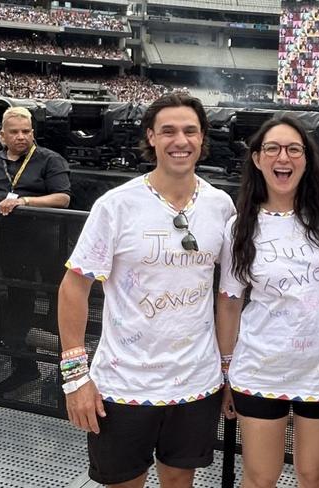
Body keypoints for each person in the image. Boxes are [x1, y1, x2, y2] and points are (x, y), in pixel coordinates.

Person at [57, 93, 235, 487]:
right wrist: (75, 377)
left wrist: (227, 370)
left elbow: (230, 295)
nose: (180, 140)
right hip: (124, 384)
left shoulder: (220, 206)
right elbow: (74, 286)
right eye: (168, 131)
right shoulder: (116, 205)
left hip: (196, 382)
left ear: (202, 138)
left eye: (190, 131)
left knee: (179, 482)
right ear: (151, 137)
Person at [216, 116, 319, 488]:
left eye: (294, 149)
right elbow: (230, 301)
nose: (284, 157)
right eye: (273, 148)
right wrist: (227, 370)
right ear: (257, 159)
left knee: (313, 476)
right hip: (261, 367)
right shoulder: (241, 225)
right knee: (260, 478)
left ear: (306, 159)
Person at [0, 106, 71, 394]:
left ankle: (67, 379)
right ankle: (25, 368)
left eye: (26, 131)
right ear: (2, 136)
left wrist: (24, 202)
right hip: (6, 248)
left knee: (57, 310)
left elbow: (62, 198)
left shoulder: (50, 159)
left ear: (33, 133)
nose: (21, 136)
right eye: (14, 132)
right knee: (13, 308)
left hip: (46, 246)